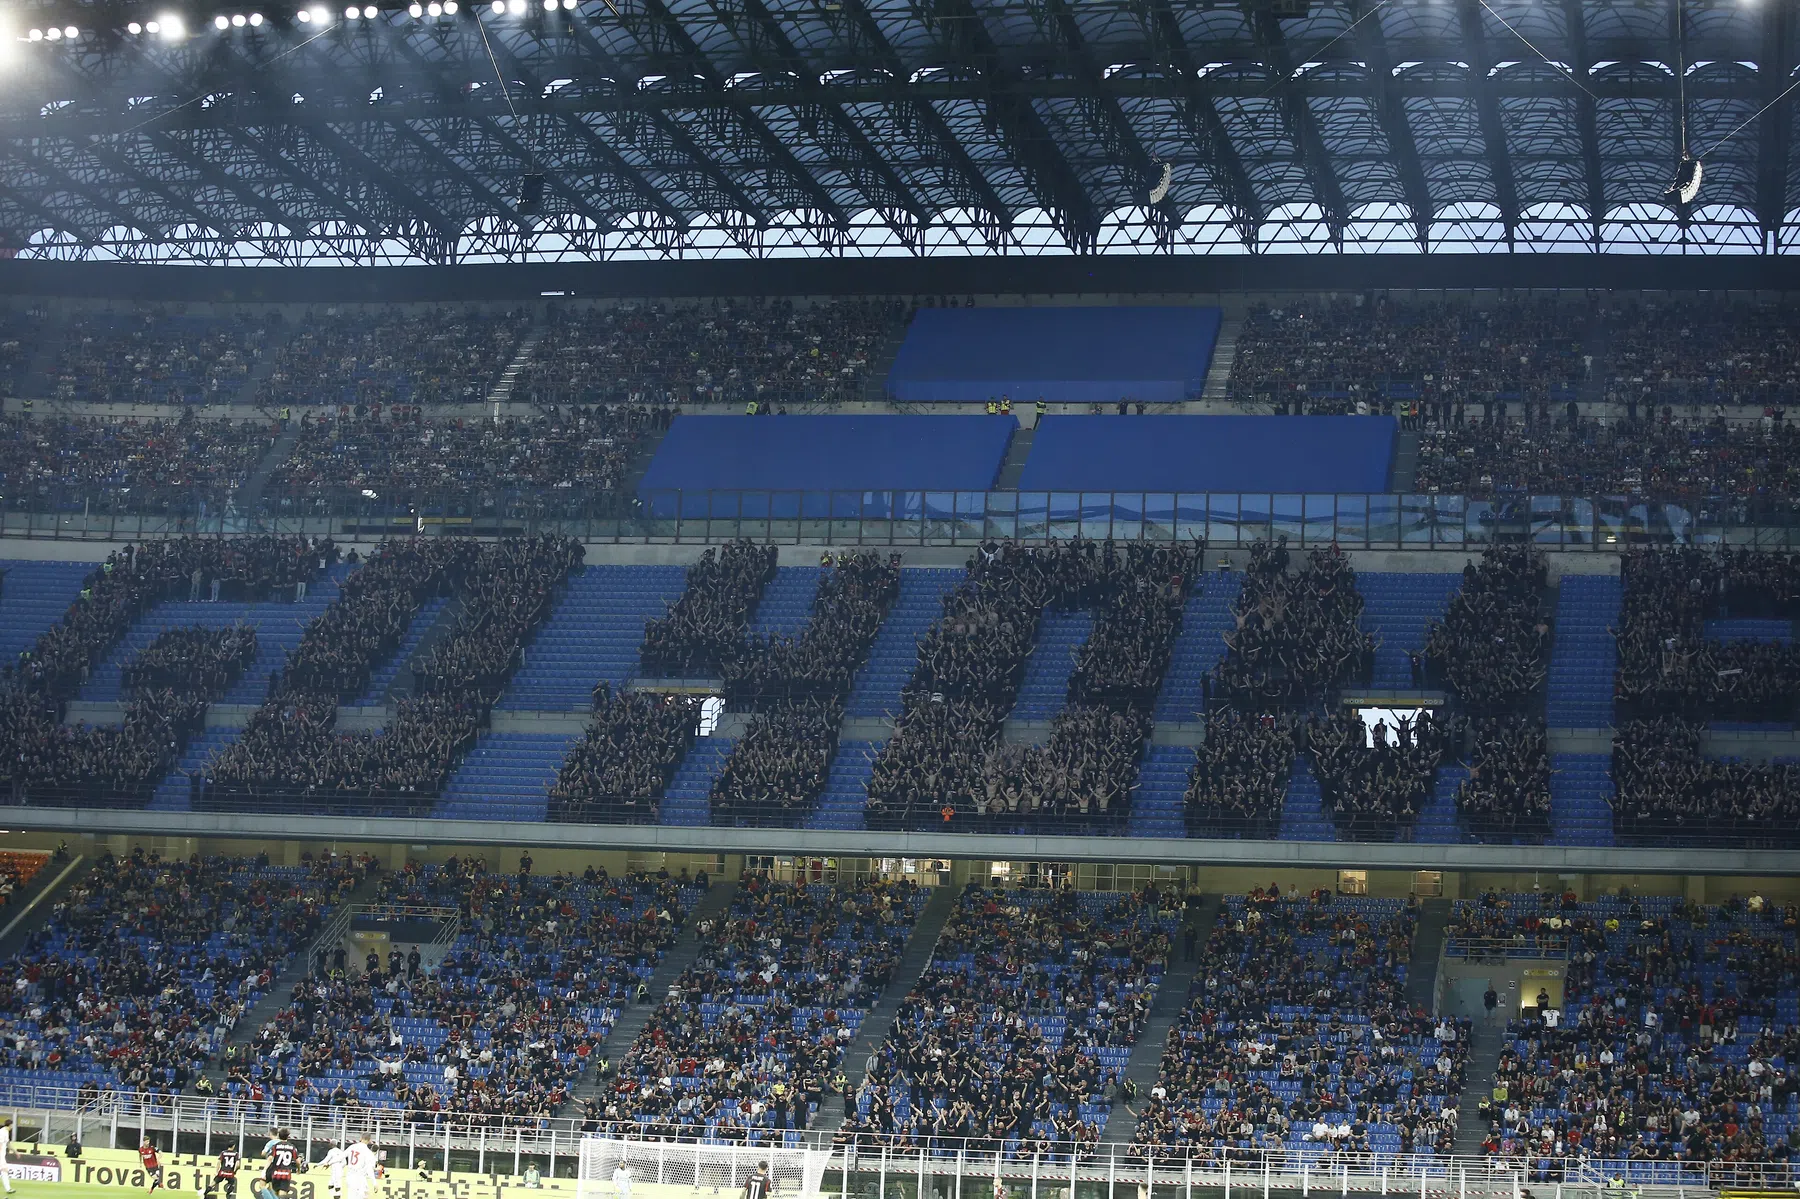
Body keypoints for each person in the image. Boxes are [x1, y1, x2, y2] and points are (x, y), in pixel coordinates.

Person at [0, 1117, 12, 1194]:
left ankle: (8, 1189)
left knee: (4, 1171)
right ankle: (8, 1189)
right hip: (0, 1155)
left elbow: (7, 1143)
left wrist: (16, 1152)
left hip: (1, 1155)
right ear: (9, 1125)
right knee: (4, 1170)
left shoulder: (5, 1132)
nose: (12, 1127)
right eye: (11, 1125)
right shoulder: (2, 1132)